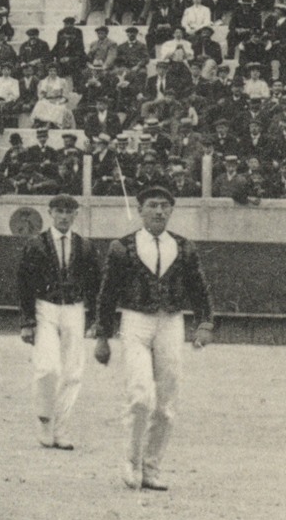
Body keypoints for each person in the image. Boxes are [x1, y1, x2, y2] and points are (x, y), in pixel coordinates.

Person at [93, 186, 215, 491]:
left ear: (171, 211)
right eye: (152, 205)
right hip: (134, 321)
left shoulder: (184, 247)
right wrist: (103, 336)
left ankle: (151, 467)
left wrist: (204, 323)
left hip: (172, 322)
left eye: (164, 206)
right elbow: (107, 294)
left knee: (166, 403)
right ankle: (131, 461)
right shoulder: (122, 247)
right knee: (140, 396)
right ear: (140, 210)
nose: (159, 211)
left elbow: (199, 288)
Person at [17, 194, 101, 451]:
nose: (64, 216)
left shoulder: (84, 246)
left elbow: (95, 284)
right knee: (48, 367)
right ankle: (45, 419)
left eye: (69, 212)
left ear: (76, 215)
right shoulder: (36, 244)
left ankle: (61, 427)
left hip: (74, 309)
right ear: (50, 213)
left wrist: (96, 318)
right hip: (45, 307)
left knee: (73, 371)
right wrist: (27, 321)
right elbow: (25, 284)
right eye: (60, 211)